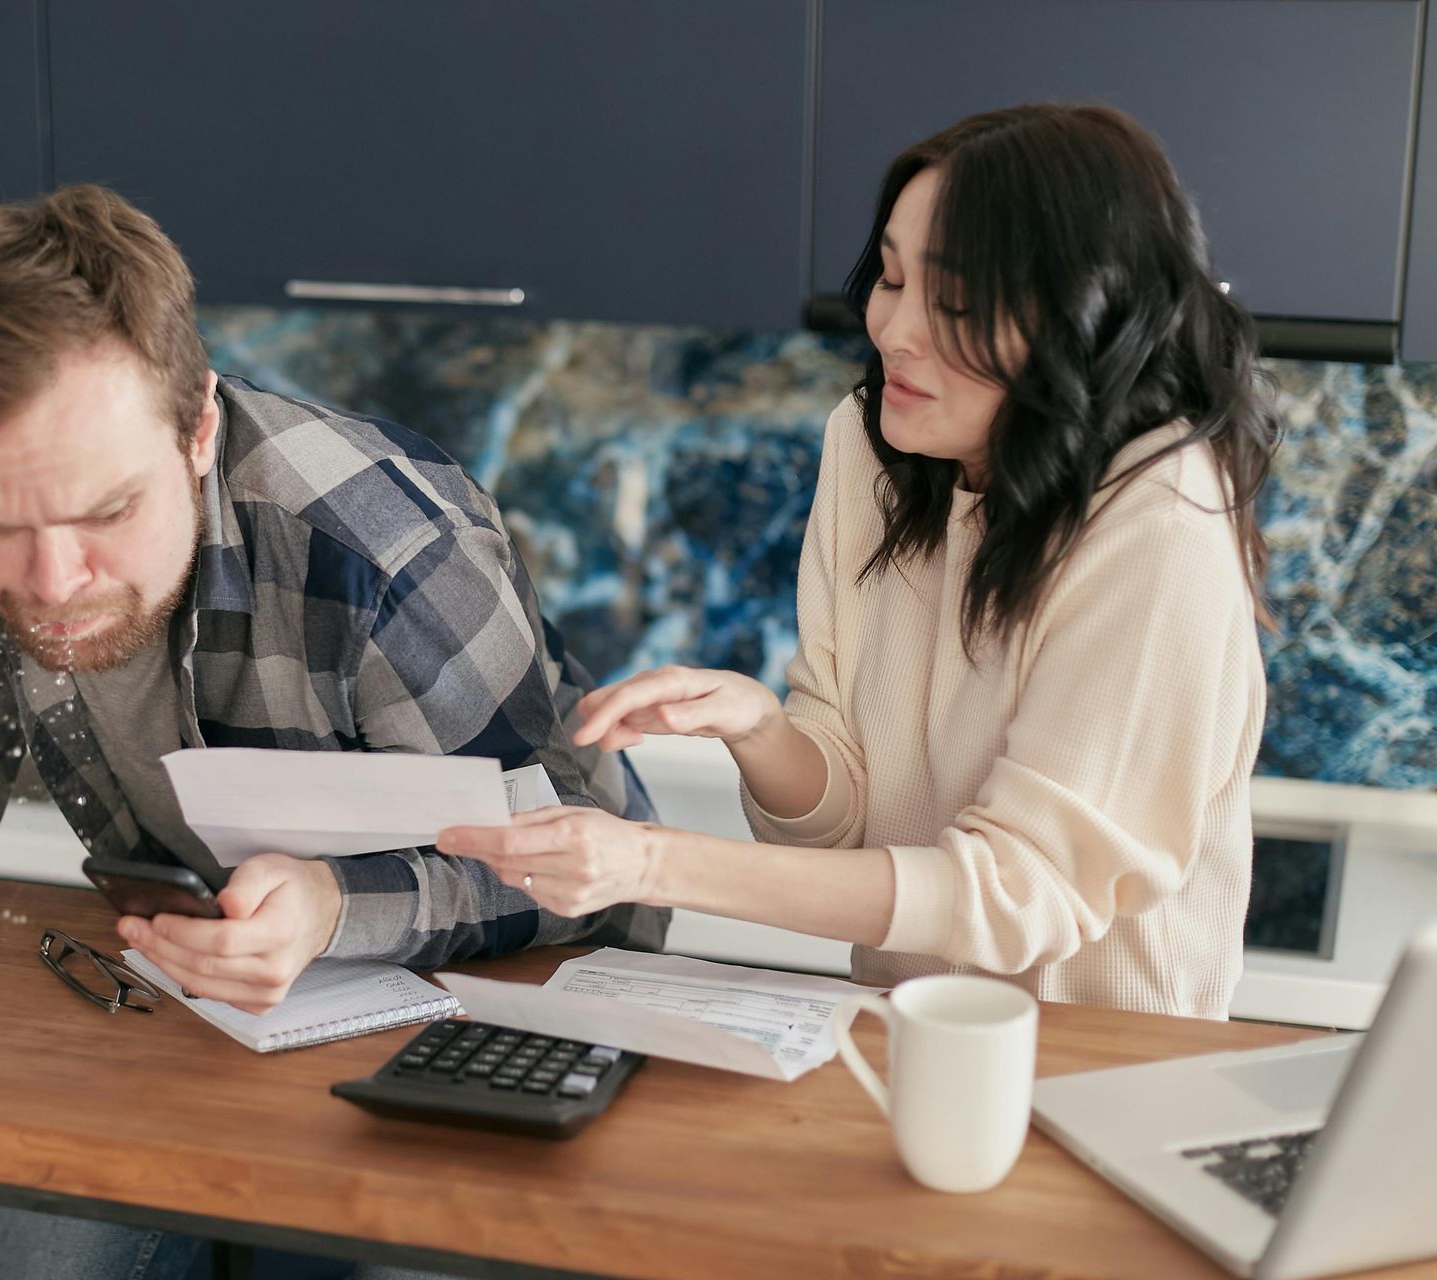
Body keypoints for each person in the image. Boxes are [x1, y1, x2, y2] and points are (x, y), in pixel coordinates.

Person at [0, 184, 664, 1279]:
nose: (53, 584)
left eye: (106, 513)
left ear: (196, 430)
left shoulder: (383, 554)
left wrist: (335, 906)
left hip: (478, 1008)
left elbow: (607, 886)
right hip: (210, 1003)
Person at [440, 103, 1280, 1021]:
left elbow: (1017, 889)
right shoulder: (876, 445)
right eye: (889, 278)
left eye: (952, 301)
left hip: (1099, 1065)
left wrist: (650, 862)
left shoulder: (1158, 520)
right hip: (896, 1032)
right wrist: (763, 731)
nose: (894, 330)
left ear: (1078, 318)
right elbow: (846, 820)